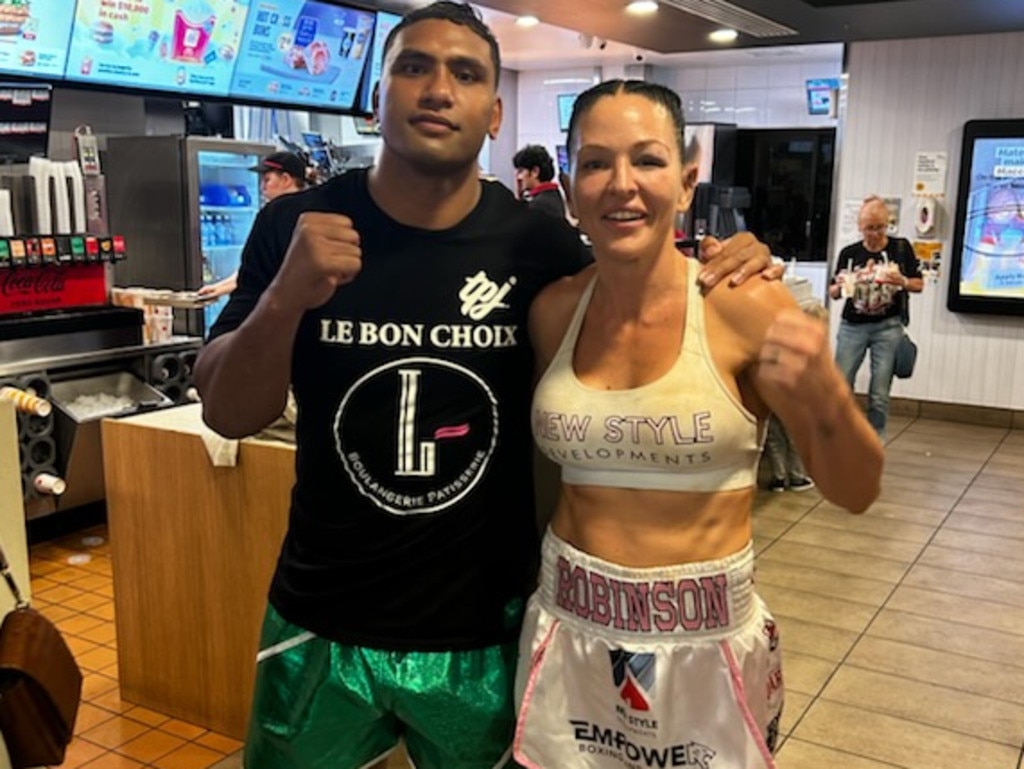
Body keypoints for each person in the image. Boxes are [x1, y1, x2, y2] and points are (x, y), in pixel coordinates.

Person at [194, 5, 777, 768]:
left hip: (488, 629)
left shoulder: (539, 244)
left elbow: (643, 313)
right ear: (377, 94)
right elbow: (231, 411)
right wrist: (286, 295)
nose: (438, 89)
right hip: (320, 615)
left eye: (465, 73)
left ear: (495, 113)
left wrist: (732, 263)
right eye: (413, 67)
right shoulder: (297, 225)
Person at [515, 80, 884, 768]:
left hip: (704, 644)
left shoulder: (745, 303)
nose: (622, 184)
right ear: (569, 187)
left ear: (686, 184)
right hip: (568, 627)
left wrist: (828, 395)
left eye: (647, 161)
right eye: (596, 163)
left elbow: (857, 489)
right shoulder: (552, 311)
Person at [828, 195, 924, 437]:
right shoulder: (849, 253)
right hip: (853, 325)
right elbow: (833, 293)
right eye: (869, 228)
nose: (875, 233)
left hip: (888, 326)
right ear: (860, 227)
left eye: (880, 227)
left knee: (879, 392)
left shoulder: (900, 248)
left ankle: (874, 441)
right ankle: (842, 436)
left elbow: (918, 284)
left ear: (887, 224)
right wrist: (840, 285)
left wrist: (901, 280)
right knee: (840, 385)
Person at [198, 152, 310, 299]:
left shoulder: (282, 217)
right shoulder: (296, 211)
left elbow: (268, 270)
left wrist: (222, 289)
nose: (262, 186)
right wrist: (218, 288)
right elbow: (253, 267)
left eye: (267, 180)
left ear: (286, 179)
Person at [513, 144, 566, 219]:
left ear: (535, 171)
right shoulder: (553, 195)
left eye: (521, 171)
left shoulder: (539, 205)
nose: (518, 177)